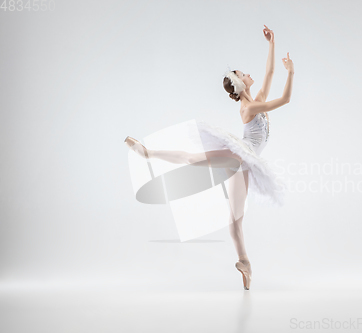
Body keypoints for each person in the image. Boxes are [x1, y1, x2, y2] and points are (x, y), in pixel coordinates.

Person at [124, 25, 294, 290]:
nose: (249, 74)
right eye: (243, 73)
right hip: (240, 155)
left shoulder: (256, 100)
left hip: (245, 165)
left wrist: (272, 43)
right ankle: (148, 152)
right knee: (194, 159)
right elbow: (285, 99)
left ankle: (244, 262)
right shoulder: (249, 108)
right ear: (239, 84)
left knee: (235, 217)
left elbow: (270, 73)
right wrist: (292, 72)